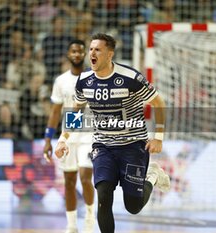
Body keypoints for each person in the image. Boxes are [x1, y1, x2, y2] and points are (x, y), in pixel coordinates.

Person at [55, 33, 171, 233]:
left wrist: (158, 137)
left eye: (97, 49)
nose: (92, 53)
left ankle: (152, 175)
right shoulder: (84, 80)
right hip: (103, 146)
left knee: (133, 207)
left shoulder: (131, 78)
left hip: (133, 146)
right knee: (104, 195)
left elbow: (159, 103)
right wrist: (63, 139)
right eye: (91, 49)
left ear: (109, 54)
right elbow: (76, 110)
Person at [43, 40, 95, 233]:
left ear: (86, 55)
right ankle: (72, 224)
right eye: (73, 51)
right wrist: (48, 139)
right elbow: (55, 112)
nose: (76, 55)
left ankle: (90, 217)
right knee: (69, 180)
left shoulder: (93, 78)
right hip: (68, 135)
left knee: (84, 175)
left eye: (80, 52)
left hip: (89, 135)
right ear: (68, 54)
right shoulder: (61, 81)